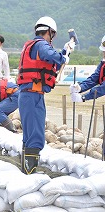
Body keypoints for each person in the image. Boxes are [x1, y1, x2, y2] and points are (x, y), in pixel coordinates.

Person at [17, 16, 72, 175]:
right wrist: (63, 57)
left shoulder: (31, 45)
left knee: (29, 136)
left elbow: (48, 61)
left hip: (29, 94)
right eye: (52, 34)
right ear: (49, 32)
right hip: (33, 95)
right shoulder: (41, 44)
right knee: (35, 137)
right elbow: (49, 54)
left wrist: (65, 52)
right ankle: (29, 175)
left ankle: (26, 172)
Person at [70, 35, 105, 102]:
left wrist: (83, 97)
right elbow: (94, 78)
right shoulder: (103, 63)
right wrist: (80, 87)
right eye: (104, 52)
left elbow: (103, 88)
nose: (104, 54)